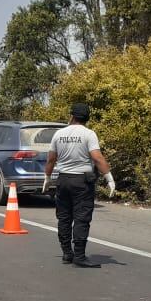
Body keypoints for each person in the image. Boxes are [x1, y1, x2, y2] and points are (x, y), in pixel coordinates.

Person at [42, 103, 116, 268]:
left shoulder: (59, 134)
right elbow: (97, 158)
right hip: (82, 182)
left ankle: (67, 253)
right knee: (82, 218)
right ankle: (80, 256)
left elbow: (51, 159)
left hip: (63, 180)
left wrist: (47, 177)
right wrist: (109, 177)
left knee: (64, 217)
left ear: (72, 116)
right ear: (86, 118)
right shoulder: (89, 134)